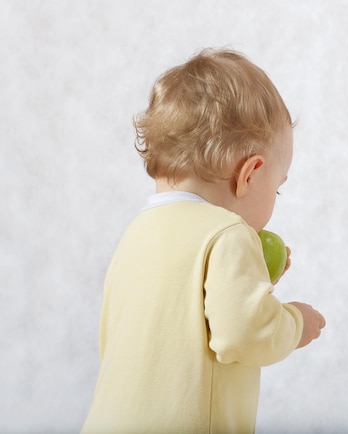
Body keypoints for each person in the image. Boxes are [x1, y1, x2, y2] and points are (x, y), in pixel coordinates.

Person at [82, 48, 326, 433]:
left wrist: (251, 284)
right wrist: (295, 322)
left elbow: (179, 317)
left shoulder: (137, 233)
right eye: (277, 190)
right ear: (250, 173)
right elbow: (245, 335)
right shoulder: (229, 234)